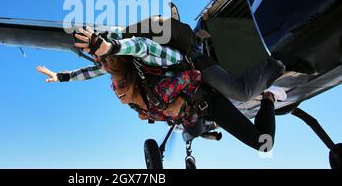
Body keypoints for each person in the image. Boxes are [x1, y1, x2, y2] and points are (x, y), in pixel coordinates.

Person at [37, 26, 287, 151]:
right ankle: (267, 98)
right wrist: (61, 76)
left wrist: (108, 47)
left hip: (197, 67)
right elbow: (90, 72)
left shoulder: (148, 56)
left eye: (106, 54)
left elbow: (141, 46)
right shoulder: (117, 68)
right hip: (200, 104)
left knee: (241, 91)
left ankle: (277, 63)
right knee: (264, 144)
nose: (116, 88)